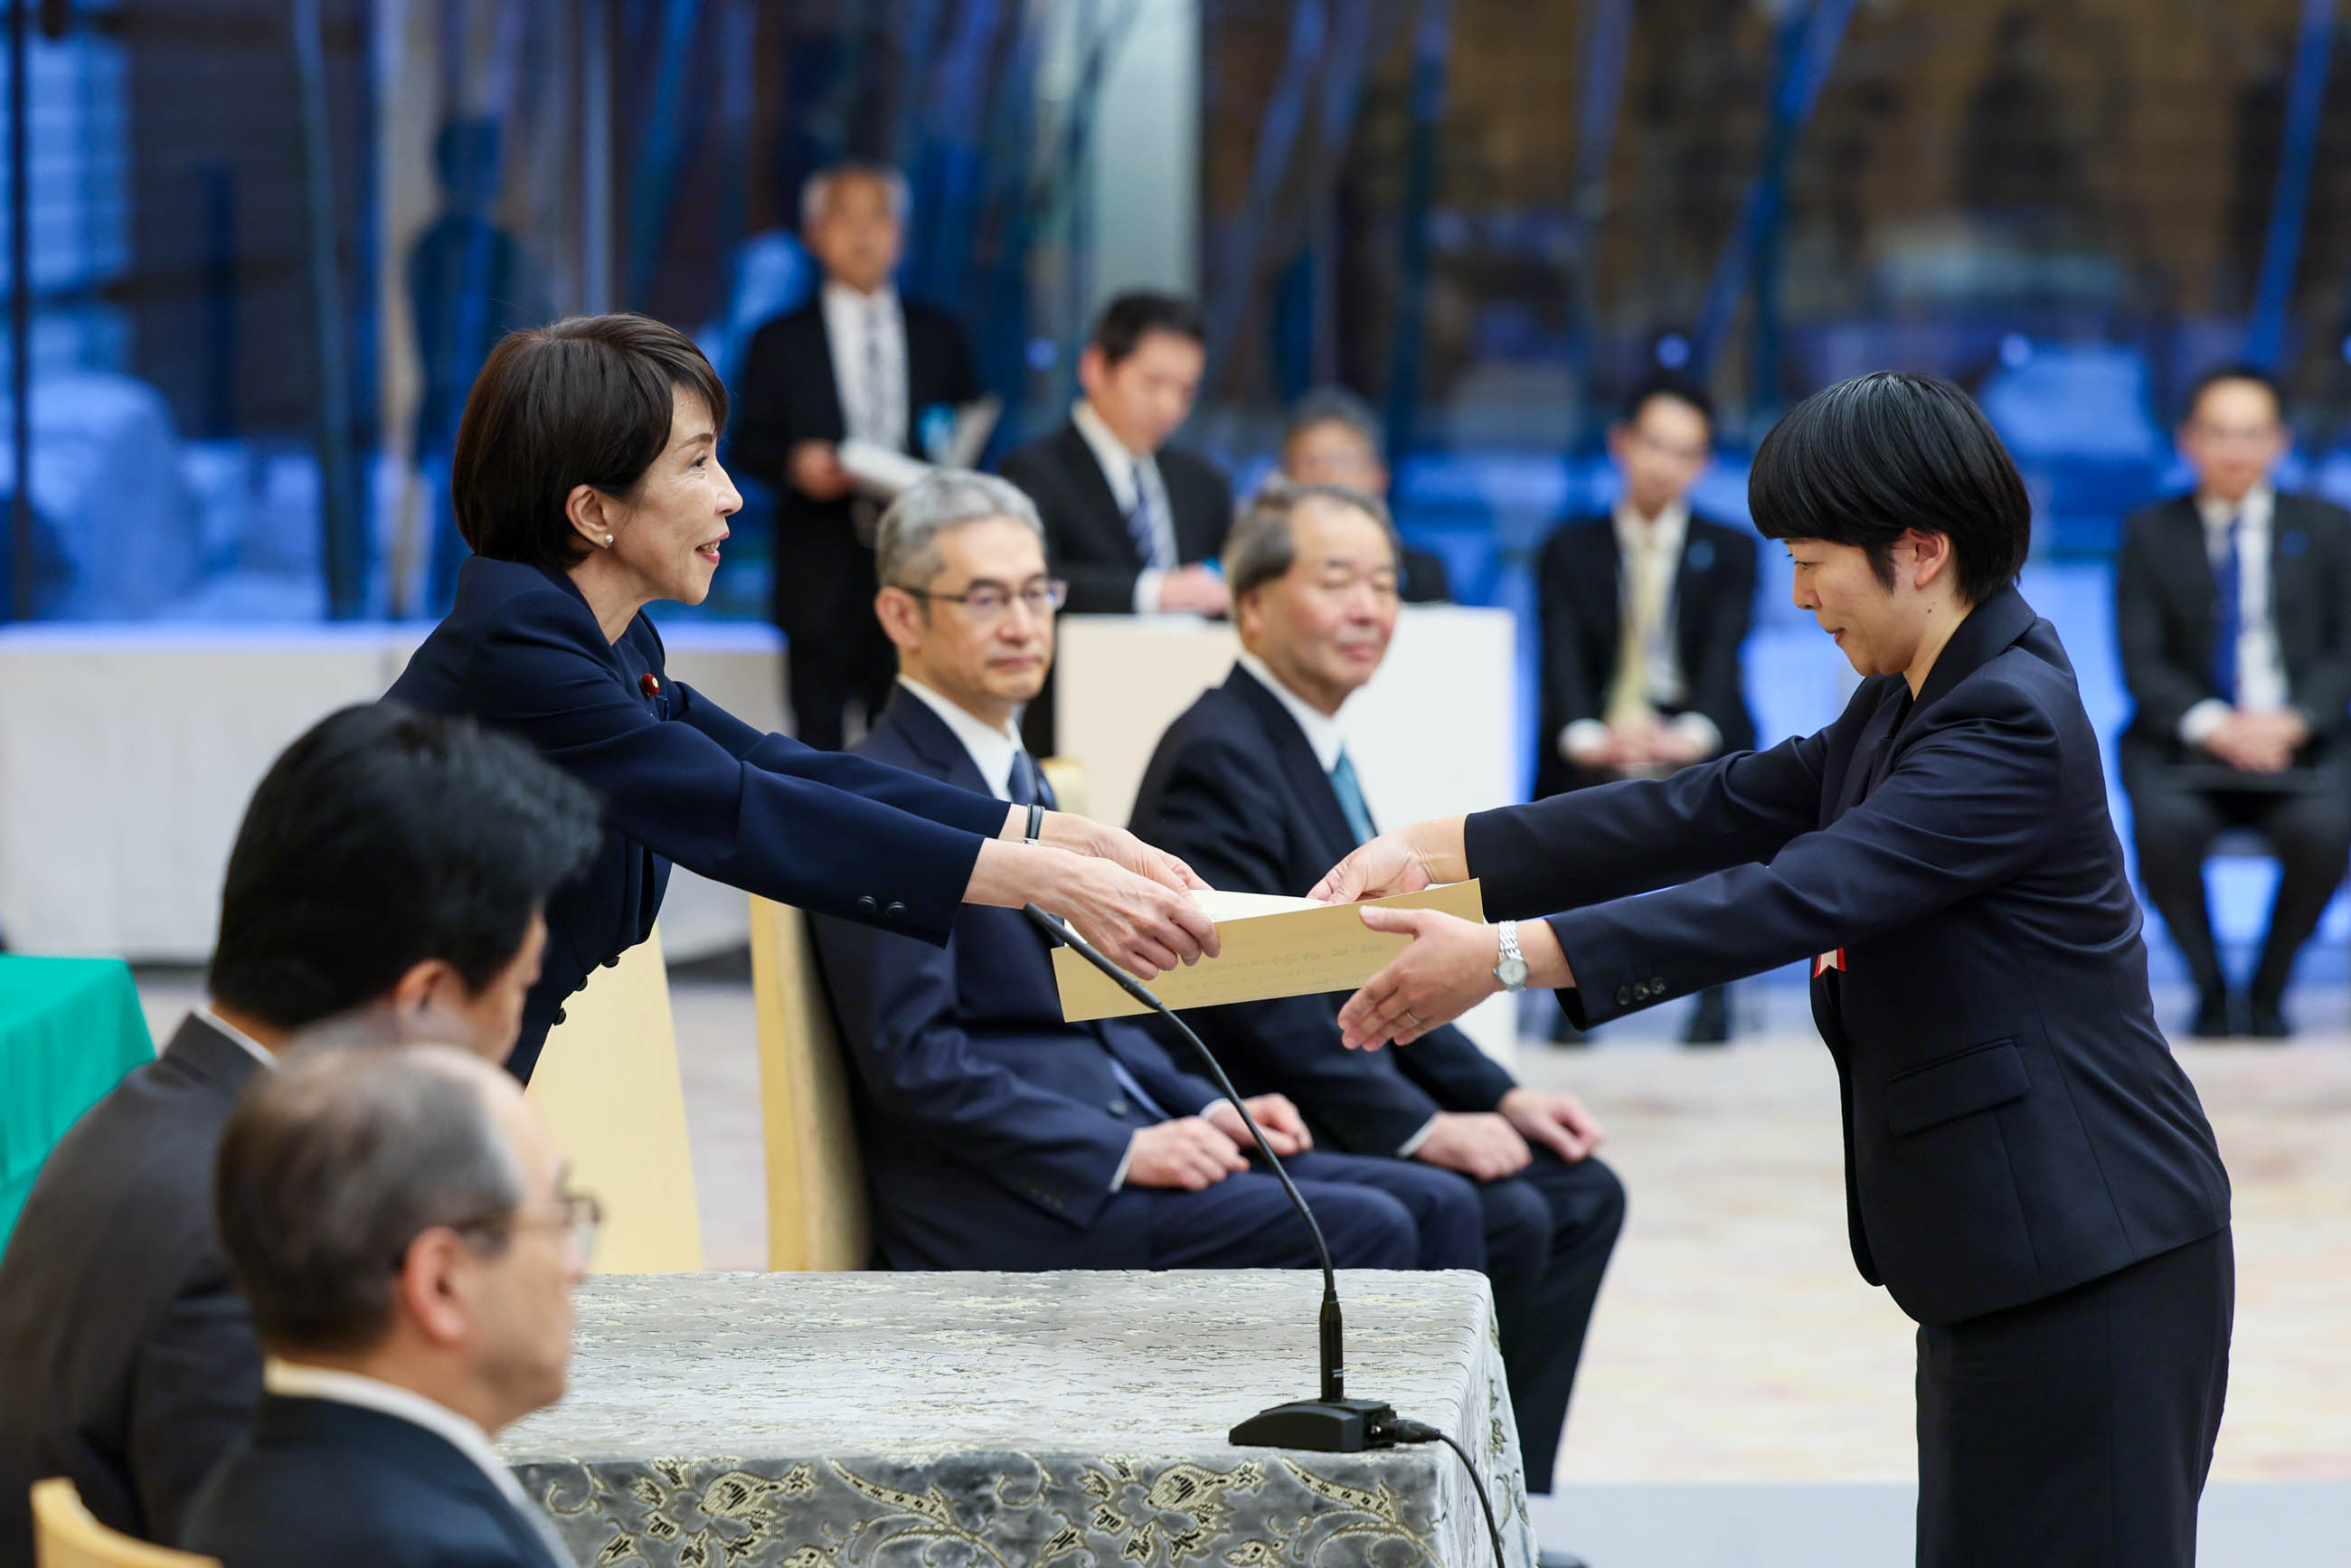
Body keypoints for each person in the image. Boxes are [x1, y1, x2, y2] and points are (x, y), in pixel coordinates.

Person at [1311, 373, 2233, 1568]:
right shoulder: (1910, 699)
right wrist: (1441, 847)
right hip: (2008, 1250)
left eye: (1814, 560)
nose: (1797, 594)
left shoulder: (2005, 716)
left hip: (2093, 1250)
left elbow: (1801, 891)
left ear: (1919, 547)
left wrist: (1501, 957)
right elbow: (1713, 805)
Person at [384, 313, 1218, 1083]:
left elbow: (780, 767)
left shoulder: (602, 637)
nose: (733, 495)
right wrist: (1042, 881)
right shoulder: (522, 652)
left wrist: (1055, 835)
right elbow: (747, 812)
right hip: (366, 1059)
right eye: (697, 462)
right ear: (593, 511)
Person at [808, 471, 1485, 1275]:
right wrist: (1126, 1148)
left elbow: (1109, 1017)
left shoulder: (1026, 780)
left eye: (1037, 593)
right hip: (1010, 1194)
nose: (1024, 625)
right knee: (1371, 1226)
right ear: (900, 615)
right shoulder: (874, 797)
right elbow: (917, 1063)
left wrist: (1209, 1105)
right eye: (987, 600)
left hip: (1104, 1140)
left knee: (1439, 1202)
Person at [0, 704, 600, 1563]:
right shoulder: (267, 1225)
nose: (518, 1033)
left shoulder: (151, 1121)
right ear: (425, 1000)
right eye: (522, 994)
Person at [1128, 482, 1624, 1497]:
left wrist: (1496, 1096)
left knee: (1581, 1191)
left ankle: (1506, 1503)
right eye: (1336, 579)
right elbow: (1252, 1001)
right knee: (1519, 1212)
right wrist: (1416, 1130)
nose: (1369, 608)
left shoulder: (1308, 747)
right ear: (1253, 605)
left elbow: (1375, 964)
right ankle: (1446, 1504)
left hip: (1323, 1075)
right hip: (1258, 1100)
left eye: (1385, 583)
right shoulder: (1219, 754)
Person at [183, 1045, 589, 1568]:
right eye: (558, 1221)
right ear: (441, 1283)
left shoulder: (243, 1488)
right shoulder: (446, 1551)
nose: (576, 1265)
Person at [2115, 364, 2351, 1040]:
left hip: (2303, 740)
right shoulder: (2150, 534)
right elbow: (2143, 665)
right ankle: (2214, 991)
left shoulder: (2331, 529)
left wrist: (2294, 721)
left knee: (2325, 832)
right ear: (2188, 439)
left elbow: (2345, 652)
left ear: (2279, 441)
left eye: (2251, 433)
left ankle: (2270, 990)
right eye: (2218, 432)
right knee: (2162, 830)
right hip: (2186, 743)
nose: (2234, 450)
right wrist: (2220, 728)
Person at [1534, 374, 1756, 1044]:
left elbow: (1723, 658)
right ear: (1621, 444)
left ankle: (1712, 994)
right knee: (1559, 801)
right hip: (1597, 730)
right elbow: (1561, 660)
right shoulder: (1568, 548)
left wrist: (1688, 734)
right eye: (1653, 444)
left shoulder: (1734, 551)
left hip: (1697, 730)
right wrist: (1585, 734)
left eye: (1685, 451)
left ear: (1705, 463)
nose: (1665, 464)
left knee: (1739, 784)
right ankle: (1570, 990)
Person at [731, 163, 980, 751]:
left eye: (880, 217)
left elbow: (973, 430)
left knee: (911, 740)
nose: (864, 234)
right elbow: (747, 443)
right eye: (845, 217)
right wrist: (795, 464)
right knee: (816, 743)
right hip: (819, 566)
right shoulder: (779, 338)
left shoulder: (939, 333)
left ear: (902, 234)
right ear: (813, 234)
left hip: (918, 565)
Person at [1001, 291, 1233, 754]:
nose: (1169, 407)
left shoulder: (1201, 482)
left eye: (1186, 390)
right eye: (1152, 383)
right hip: (1078, 719)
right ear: (1095, 369)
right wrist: (1156, 592)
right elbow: (1035, 585)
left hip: (1190, 720)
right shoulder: (1034, 471)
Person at [1279, 387, 1451, 603]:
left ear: (1379, 476)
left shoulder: (1422, 574)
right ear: (1286, 478)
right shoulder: (1265, 570)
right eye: (1311, 462)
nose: (1326, 476)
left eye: (1341, 460)